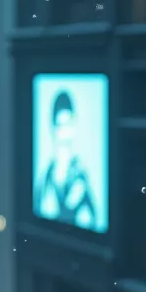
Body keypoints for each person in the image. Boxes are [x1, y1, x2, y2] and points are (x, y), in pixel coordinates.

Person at [34, 87, 98, 229]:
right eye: (61, 125)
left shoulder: (81, 176)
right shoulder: (45, 179)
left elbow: (91, 220)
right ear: (53, 128)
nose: (65, 132)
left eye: (69, 124)